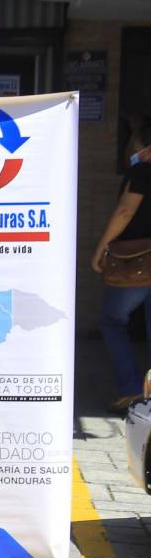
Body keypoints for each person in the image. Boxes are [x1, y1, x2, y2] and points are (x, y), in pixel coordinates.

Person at [91, 135, 151, 411]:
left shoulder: (142, 172)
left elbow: (126, 211)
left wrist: (101, 249)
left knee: (112, 320)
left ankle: (131, 390)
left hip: (138, 262)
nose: (131, 152)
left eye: (134, 147)